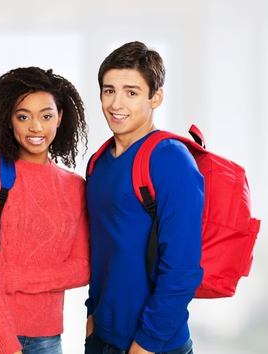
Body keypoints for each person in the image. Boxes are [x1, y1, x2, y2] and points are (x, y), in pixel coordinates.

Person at [0, 67, 91, 354]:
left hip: (47, 336)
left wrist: (13, 278)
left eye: (46, 116)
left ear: (60, 118)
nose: (36, 127)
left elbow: (82, 268)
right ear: (10, 120)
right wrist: (5, 341)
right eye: (23, 116)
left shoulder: (75, 186)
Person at [84, 41, 204, 354]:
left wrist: (145, 345)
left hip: (154, 346)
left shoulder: (171, 160)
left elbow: (183, 268)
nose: (116, 103)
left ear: (156, 97)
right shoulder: (97, 162)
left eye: (131, 92)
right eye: (109, 90)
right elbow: (102, 249)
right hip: (102, 339)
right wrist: (91, 316)